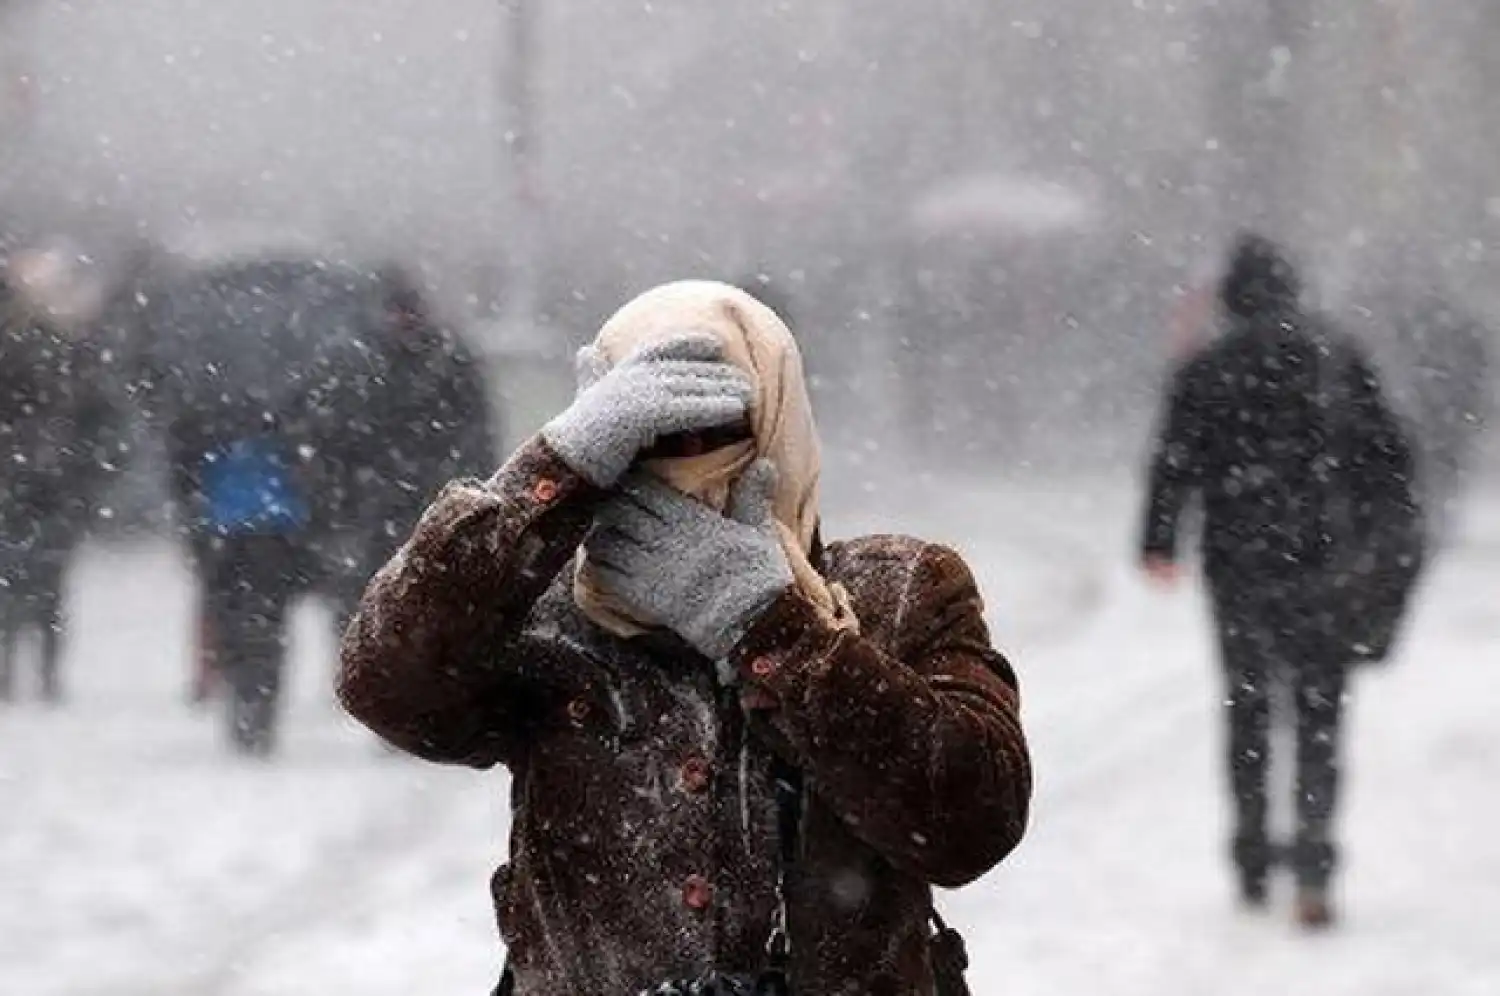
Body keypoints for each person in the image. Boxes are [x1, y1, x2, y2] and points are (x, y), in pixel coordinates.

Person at [338, 280, 1032, 994]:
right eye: (649, 443)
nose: (685, 463)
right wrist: (555, 469)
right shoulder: (541, 614)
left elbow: (972, 823)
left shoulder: (898, 591)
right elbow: (384, 682)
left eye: (718, 431)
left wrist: (770, 623)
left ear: (775, 425)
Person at [1139, 234, 1420, 929]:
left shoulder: (1207, 367)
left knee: (1249, 707)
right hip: (1325, 562)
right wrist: (1382, 535)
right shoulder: (1334, 355)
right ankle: (1315, 861)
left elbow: (1174, 459)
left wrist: (1160, 540)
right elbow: (1389, 455)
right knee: (1321, 713)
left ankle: (1253, 858)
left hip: (1238, 566)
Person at [196, 428, 310, 755]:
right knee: (269, 627)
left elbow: (188, 468)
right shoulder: (290, 418)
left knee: (236, 622)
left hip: (227, 529)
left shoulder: (213, 419)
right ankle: (261, 708)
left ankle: (245, 697)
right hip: (275, 531)